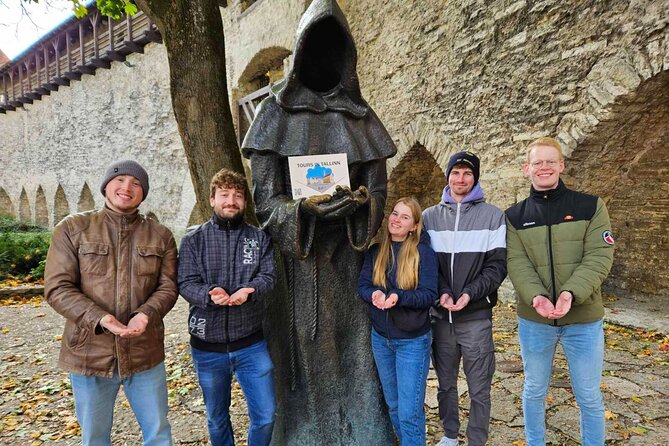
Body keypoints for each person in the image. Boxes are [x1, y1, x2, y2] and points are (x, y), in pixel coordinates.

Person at [240, 0, 396, 443]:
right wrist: (303, 211)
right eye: (317, 45)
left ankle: (362, 432)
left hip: (350, 262)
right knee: (309, 359)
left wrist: (360, 204)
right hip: (299, 267)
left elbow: (377, 192)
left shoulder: (361, 117)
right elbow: (266, 201)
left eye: (335, 47)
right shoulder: (275, 114)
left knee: (356, 354)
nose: (325, 56)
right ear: (302, 50)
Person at [44, 159, 177, 446]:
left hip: (144, 353)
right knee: (94, 438)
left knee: (158, 434)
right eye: (120, 180)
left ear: (144, 193)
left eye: (136, 183)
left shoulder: (161, 235)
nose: (126, 187)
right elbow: (57, 287)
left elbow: (167, 287)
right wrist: (100, 318)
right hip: (89, 353)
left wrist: (146, 314)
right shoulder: (72, 228)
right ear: (106, 185)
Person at [505, 137, 614, 446]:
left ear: (561, 165)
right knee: (534, 389)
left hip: (583, 321)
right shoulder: (513, 217)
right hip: (535, 322)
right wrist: (536, 297)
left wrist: (569, 294)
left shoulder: (590, 206)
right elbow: (517, 262)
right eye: (538, 162)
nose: (544, 167)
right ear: (527, 169)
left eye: (550, 161)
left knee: (589, 395)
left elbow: (599, 256)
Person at [177, 168, 277, 446]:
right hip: (207, 348)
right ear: (212, 200)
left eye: (237, 195)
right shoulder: (193, 240)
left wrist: (250, 291)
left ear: (244, 202)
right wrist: (210, 294)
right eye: (224, 195)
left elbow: (268, 277)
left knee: (266, 415)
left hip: (251, 344)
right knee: (217, 417)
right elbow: (185, 282)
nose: (231, 201)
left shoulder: (258, 239)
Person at [422, 151, 507, 446]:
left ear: (476, 178)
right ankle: (449, 434)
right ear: (448, 176)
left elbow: (497, 266)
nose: (461, 179)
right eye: (456, 172)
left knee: (479, 386)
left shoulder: (493, 216)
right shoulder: (429, 217)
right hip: (440, 317)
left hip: (475, 318)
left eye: (467, 173)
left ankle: (476, 439)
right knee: (445, 385)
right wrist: (443, 292)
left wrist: (469, 294)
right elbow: (426, 263)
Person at [357, 197, 438, 445]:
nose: (396, 219)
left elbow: (429, 295)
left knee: (409, 412)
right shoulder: (376, 251)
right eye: (394, 213)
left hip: (412, 342)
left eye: (404, 217)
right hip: (381, 339)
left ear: (414, 226)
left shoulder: (423, 253)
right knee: (393, 406)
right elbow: (362, 286)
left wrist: (398, 296)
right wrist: (374, 294)